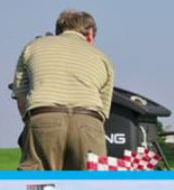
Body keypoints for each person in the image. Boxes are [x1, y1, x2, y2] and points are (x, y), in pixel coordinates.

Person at [12, 10, 115, 170]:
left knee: (38, 183)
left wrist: (35, 127)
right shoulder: (103, 58)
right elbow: (103, 113)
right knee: (90, 184)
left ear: (58, 31)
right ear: (90, 34)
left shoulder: (32, 47)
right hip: (89, 121)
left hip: (44, 115)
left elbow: (21, 99)